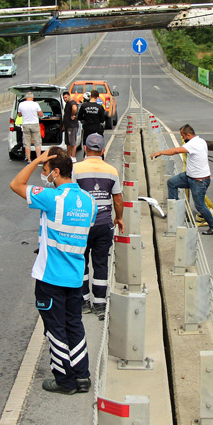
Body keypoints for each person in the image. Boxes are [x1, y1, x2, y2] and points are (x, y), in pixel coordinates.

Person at [10, 147, 97, 395]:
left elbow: (16, 184)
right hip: (75, 275)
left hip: (50, 276)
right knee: (74, 323)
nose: (44, 174)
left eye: (46, 170)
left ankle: (64, 380)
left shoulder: (51, 198)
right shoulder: (89, 202)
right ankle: (82, 376)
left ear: (56, 171)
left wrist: (36, 158)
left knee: (55, 328)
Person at [73, 133, 124, 319]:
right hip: (104, 224)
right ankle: (100, 303)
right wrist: (119, 218)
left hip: (81, 225)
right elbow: (117, 198)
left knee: (81, 261)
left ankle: (83, 300)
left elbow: (70, 195)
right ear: (103, 150)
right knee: (101, 262)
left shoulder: (75, 169)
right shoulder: (111, 170)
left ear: (85, 149)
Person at [149, 124, 213, 235]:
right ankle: (175, 212)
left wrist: (160, 152)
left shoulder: (194, 144)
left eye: (183, 136)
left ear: (188, 134)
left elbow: (176, 151)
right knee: (172, 182)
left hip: (199, 181)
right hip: (190, 176)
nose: (182, 139)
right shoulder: (200, 141)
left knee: (200, 205)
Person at [18, 92, 43, 162]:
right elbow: (41, 114)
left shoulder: (21, 104)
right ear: (32, 97)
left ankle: (29, 159)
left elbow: (19, 114)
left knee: (27, 143)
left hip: (25, 124)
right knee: (37, 142)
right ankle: (38, 159)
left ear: (26, 97)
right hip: (34, 124)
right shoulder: (35, 104)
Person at [63, 91, 81, 161]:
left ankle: (73, 157)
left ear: (69, 96)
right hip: (68, 126)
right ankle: (69, 156)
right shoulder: (67, 103)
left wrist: (73, 115)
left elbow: (74, 108)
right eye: (64, 98)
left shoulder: (72, 103)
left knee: (72, 142)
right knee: (68, 143)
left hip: (72, 126)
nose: (65, 99)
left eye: (66, 97)